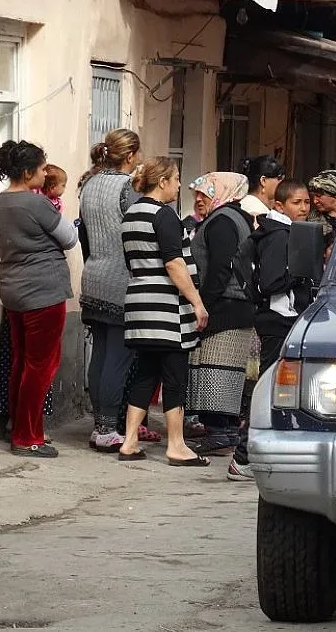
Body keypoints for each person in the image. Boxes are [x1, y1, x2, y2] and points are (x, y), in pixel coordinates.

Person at [0, 140, 78, 458]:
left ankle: (23, 429)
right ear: (28, 173)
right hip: (43, 291)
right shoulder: (37, 203)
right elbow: (70, 238)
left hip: (13, 291)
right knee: (40, 366)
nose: (44, 174)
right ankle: (27, 437)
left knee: (21, 362)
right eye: (41, 169)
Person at [118, 157, 209, 465]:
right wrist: (197, 302)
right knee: (174, 376)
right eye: (177, 178)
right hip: (166, 309)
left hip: (139, 303)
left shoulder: (132, 214)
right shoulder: (164, 215)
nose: (180, 185)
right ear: (162, 181)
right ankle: (177, 445)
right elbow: (174, 263)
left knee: (145, 372)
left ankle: (130, 441)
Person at [79, 128, 162, 452]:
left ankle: (99, 424)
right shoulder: (128, 188)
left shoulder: (89, 184)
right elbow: (141, 230)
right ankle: (107, 426)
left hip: (93, 274)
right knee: (117, 357)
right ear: (130, 156)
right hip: (120, 279)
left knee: (100, 354)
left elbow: (84, 233)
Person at [228, 179, 314, 481]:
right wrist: (303, 273)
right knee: (268, 389)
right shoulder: (278, 235)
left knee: (280, 390)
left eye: (306, 202)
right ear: (279, 205)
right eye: (296, 203)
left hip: (280, 318)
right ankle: (243, 457)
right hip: (278, 320)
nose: (303, 208)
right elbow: (271, 282)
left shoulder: (281, 231)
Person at [186, 172, 256, 456]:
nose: (199, 199)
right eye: (197, 194)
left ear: (223, 192)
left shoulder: (223, 221)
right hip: (235, 305)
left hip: (224, 306)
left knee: (214, 368)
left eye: (206, 192)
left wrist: (203, 304)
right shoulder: (235, 217)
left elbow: (220, 268)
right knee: (225, 370)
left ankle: (218, 434)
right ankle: (224, 433)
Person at [240, 156, 285, 222]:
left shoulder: (244, 203)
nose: (282, 183)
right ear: (263, 181)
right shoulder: (257, 211)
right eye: (279, 178)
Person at [308, 170, 336, 234]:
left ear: (334, 194)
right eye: (313, 196)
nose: (315, 201)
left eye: (319, 196)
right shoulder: (312, 218)